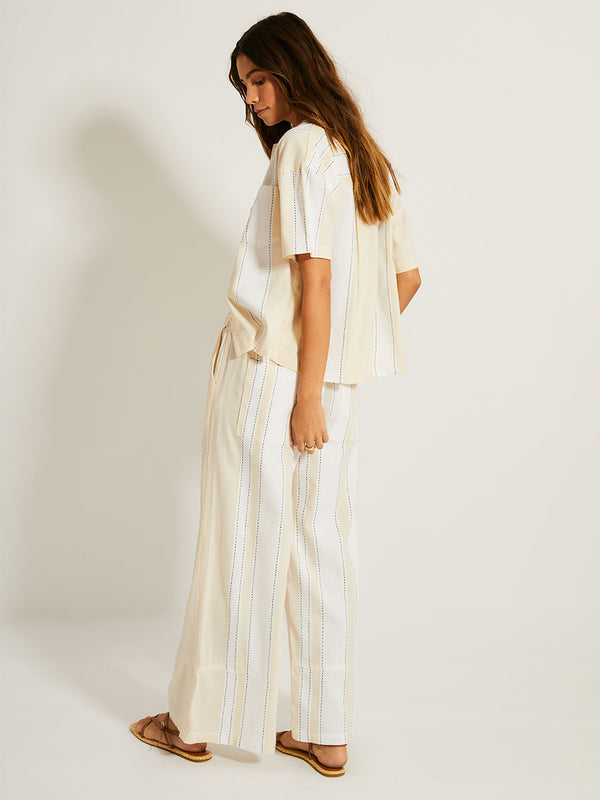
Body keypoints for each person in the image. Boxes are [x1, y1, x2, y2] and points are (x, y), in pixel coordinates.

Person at [131, 11, 421, 778]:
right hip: (338, 388)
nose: (252, 98)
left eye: (259, 78)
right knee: (323, 550)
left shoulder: (301, 148)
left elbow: (315, 280)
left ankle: (192, 723)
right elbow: (405, 282)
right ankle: (326, 733)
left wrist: (301, 391)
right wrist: (333, 373)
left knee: (240, 544)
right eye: (243, 85)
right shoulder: (366, 158)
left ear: (295, 68)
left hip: (278, 385)